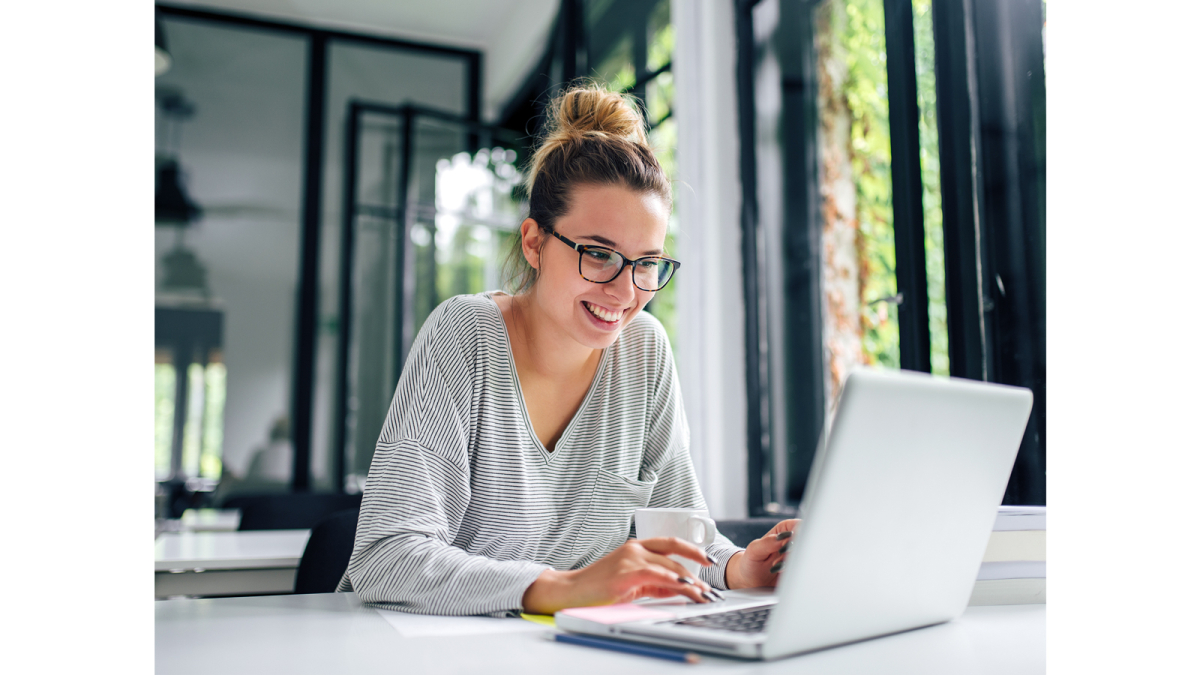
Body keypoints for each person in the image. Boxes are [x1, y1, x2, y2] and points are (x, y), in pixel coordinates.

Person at [339, 84, 798, 616]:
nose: (626, 293)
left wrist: (740, 568)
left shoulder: (644, 352)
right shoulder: (465, 335)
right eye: (599, 255)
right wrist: (563, 588)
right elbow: (386, 555)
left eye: (647, 262)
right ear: (534, 242)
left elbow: (680, 540)